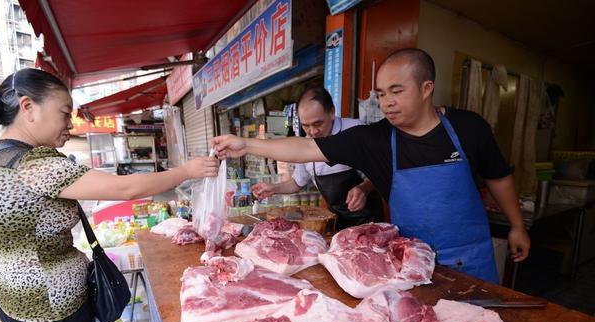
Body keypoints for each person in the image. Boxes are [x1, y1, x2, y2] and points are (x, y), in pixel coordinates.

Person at [0, 68, 218, 322]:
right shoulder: (33, 163)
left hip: (16, 298)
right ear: (29, 107)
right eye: (63, 112)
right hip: (51, 305)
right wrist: (188, 170)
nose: (68, 124)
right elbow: (125, 189)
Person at [212, 48, 530, 284]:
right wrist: (247, 144)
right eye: (380, 94)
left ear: (426, 89)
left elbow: (498, 177)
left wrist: (516, 225)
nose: (386, 102)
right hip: (409, 261)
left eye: (396, 91)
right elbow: (307, 147)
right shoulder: (373, 139)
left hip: (471, 261)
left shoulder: (468, 127)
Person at [251, 88, 383, 229]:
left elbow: (381, 171)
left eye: (318, 124)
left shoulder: (355, 130)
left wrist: (364, 188)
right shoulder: (306, 145)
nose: (312, 132)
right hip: (337, 223)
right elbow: (297, 182)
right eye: (306, 126)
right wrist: (273, 188)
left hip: (370, 222)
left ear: (332, 112)